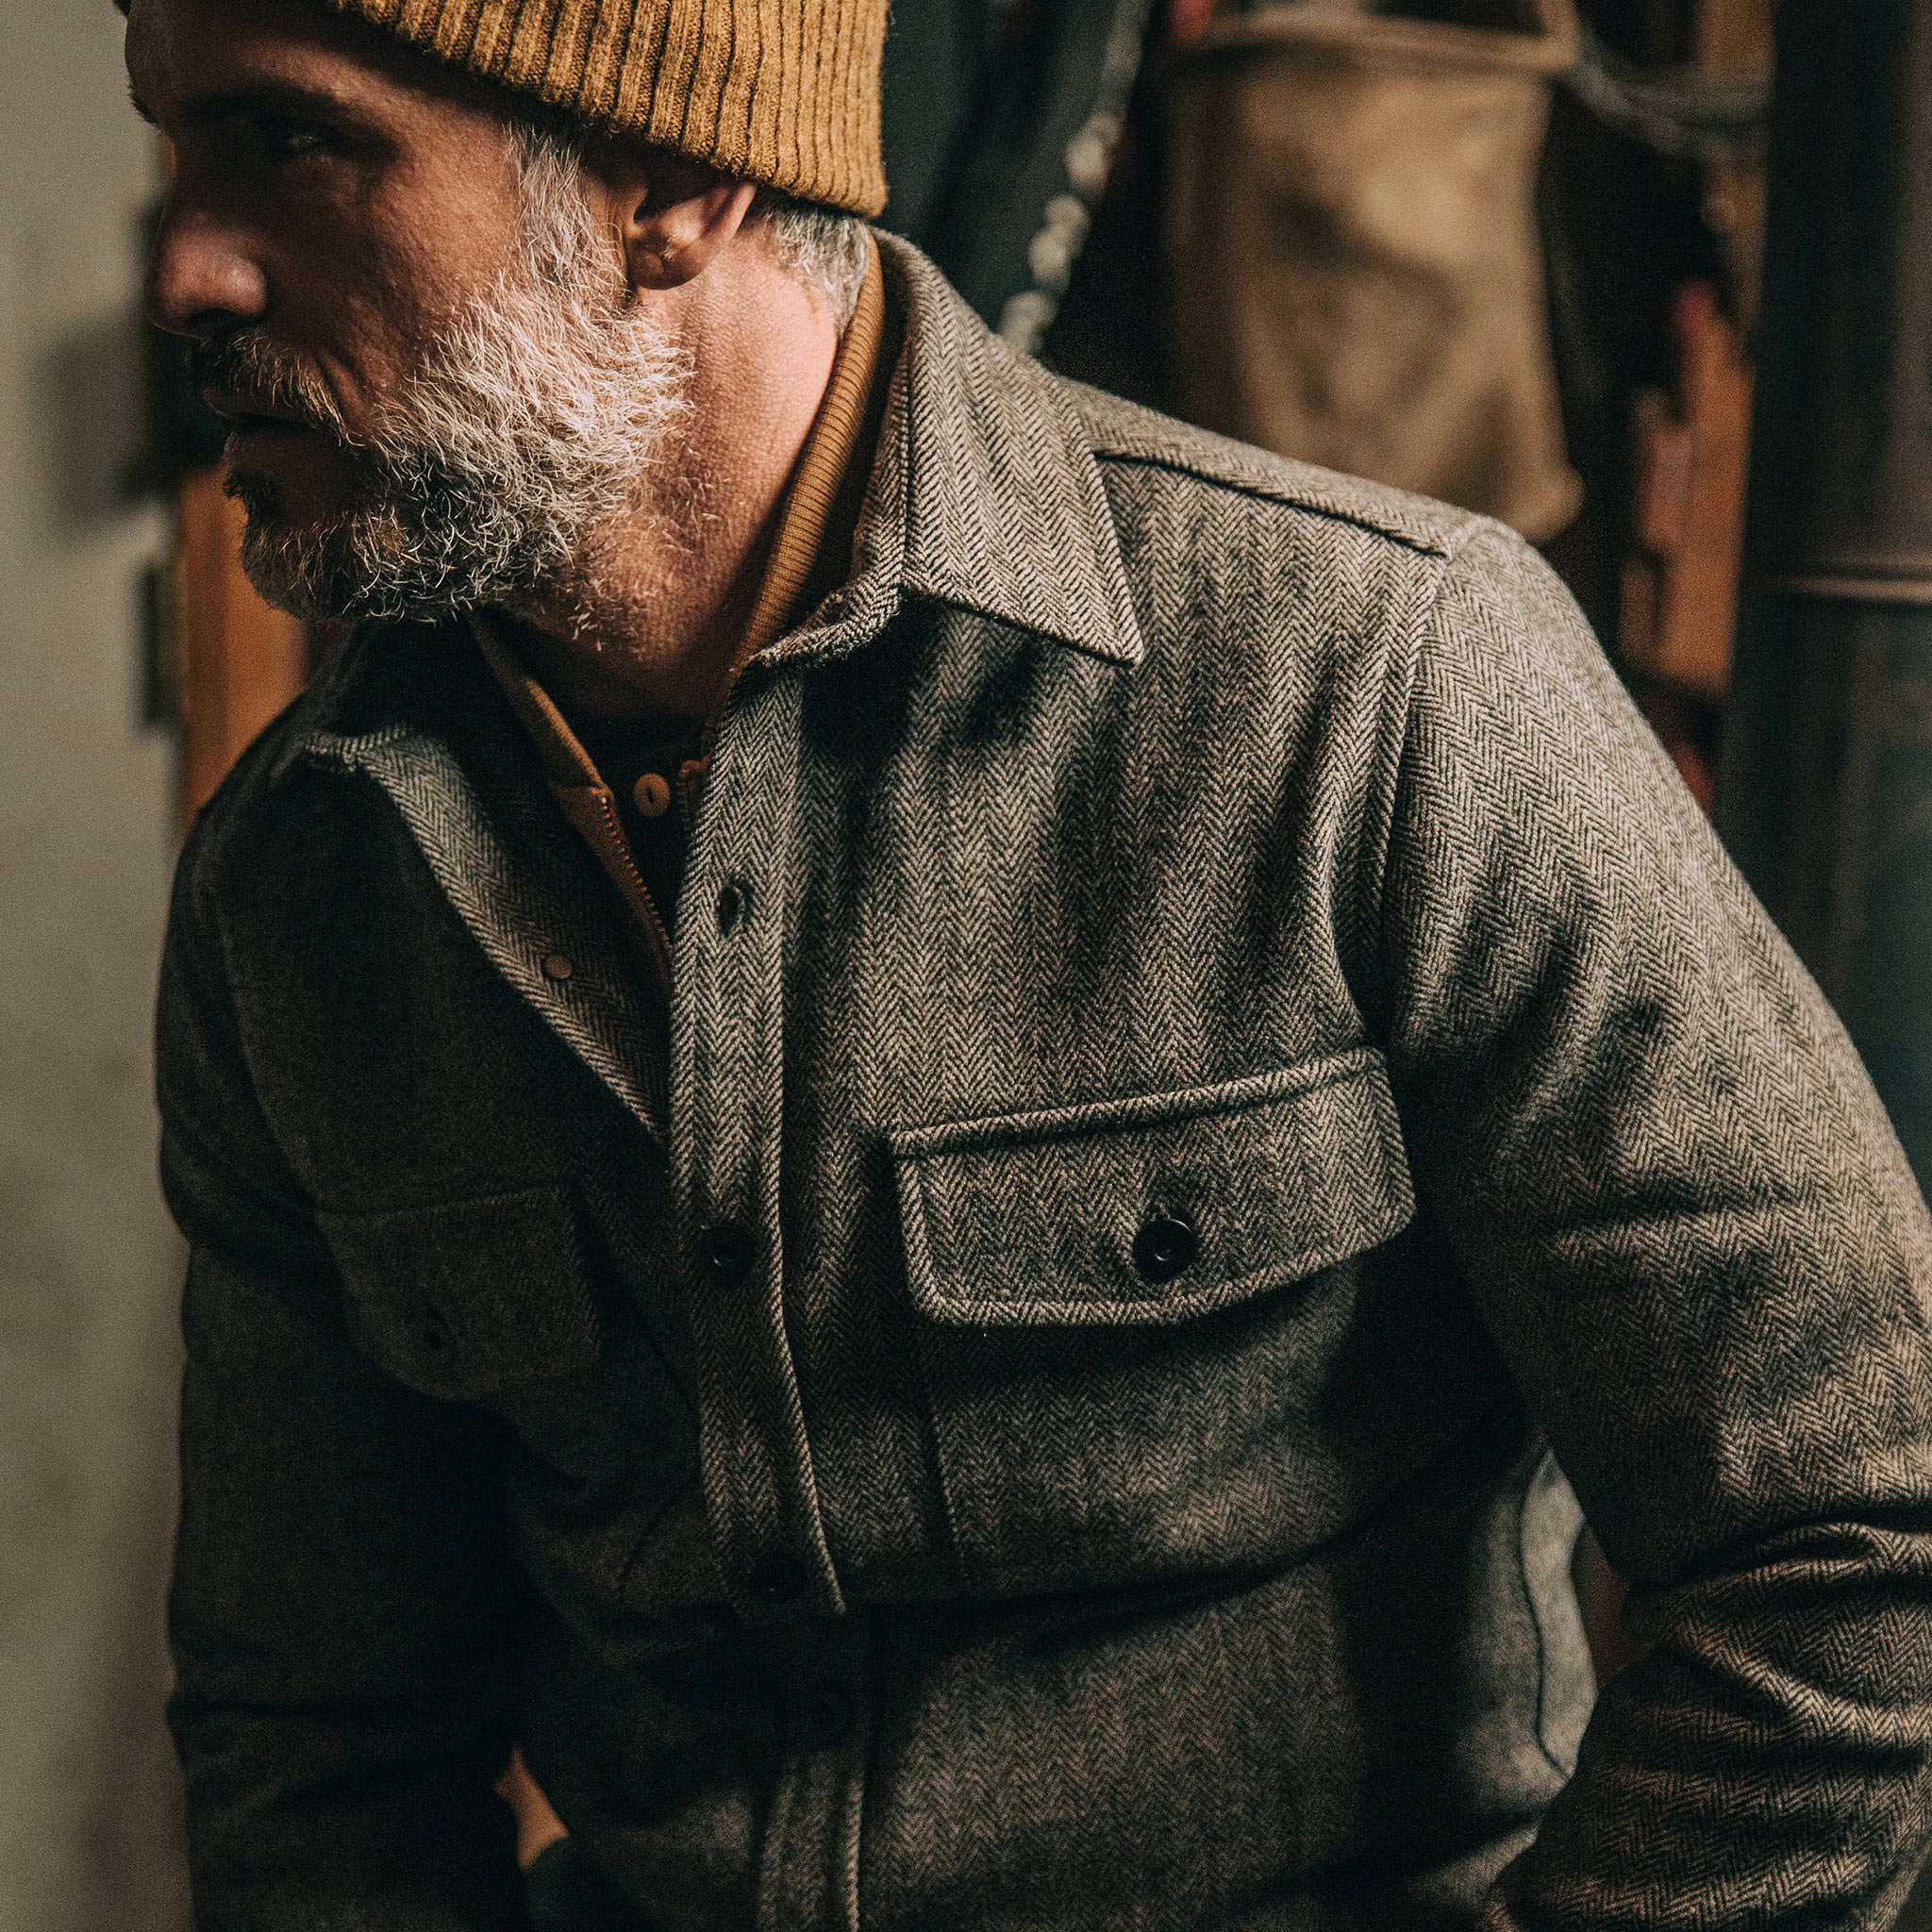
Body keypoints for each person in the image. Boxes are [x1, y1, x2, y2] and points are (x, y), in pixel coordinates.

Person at [127, 0, 1932, 1925]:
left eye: (290, 145)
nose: (183, 269)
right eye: (176, 149)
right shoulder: (301, 888)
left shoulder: (1372, 687)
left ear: (665, 176)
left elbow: (1854, 1543)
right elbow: (317, 1752)